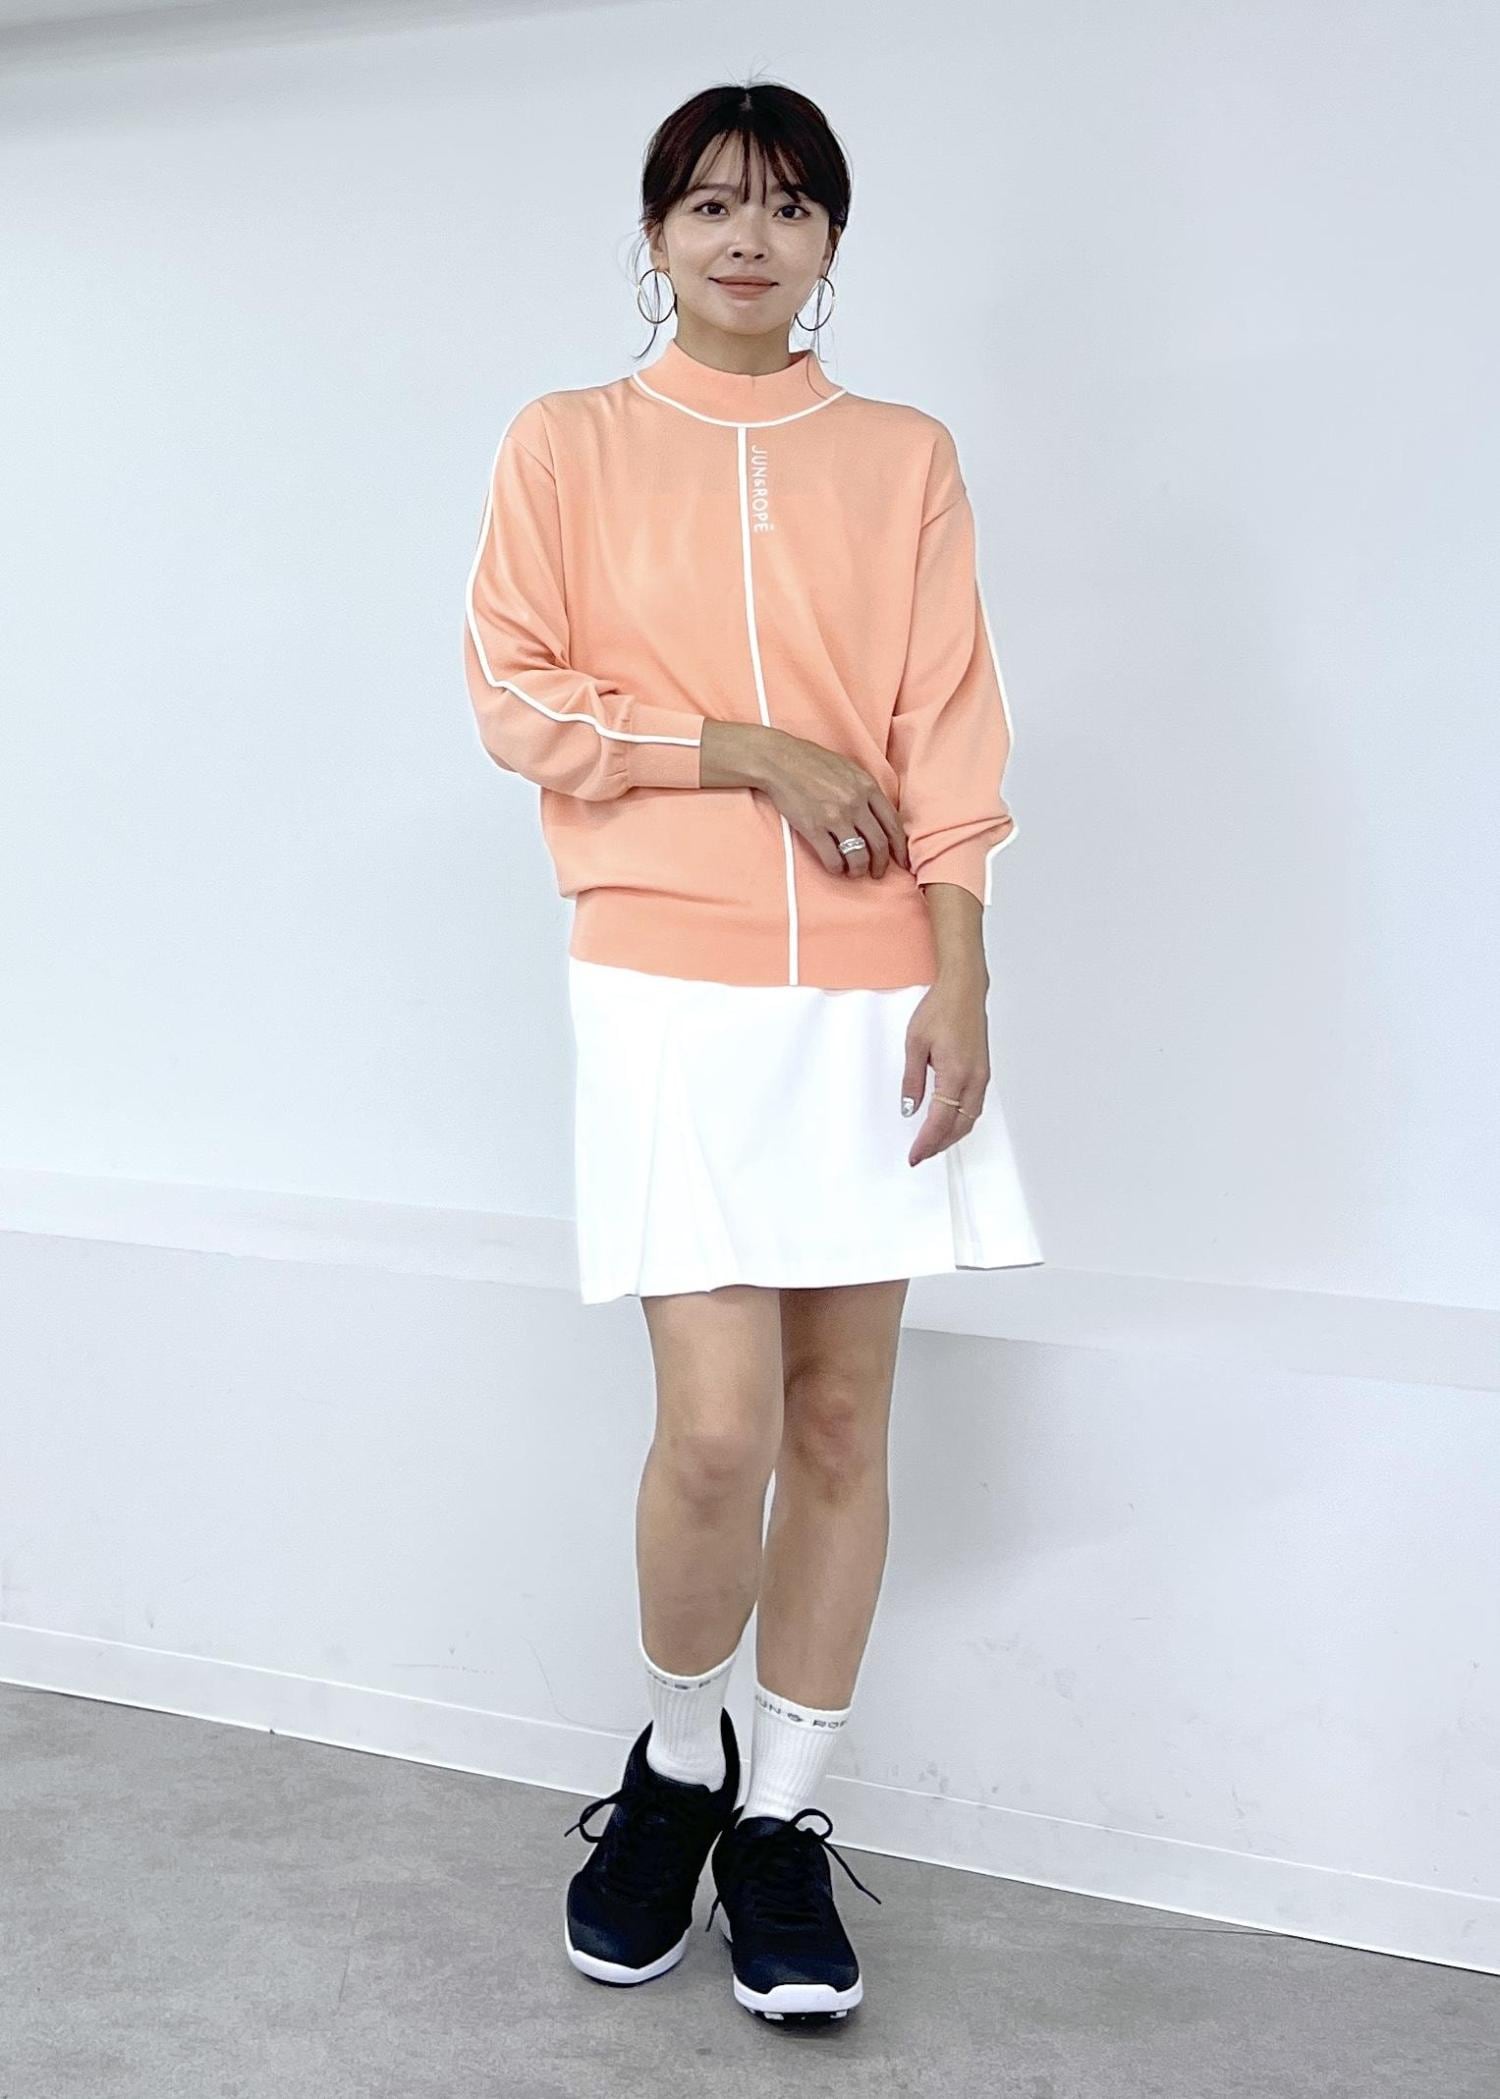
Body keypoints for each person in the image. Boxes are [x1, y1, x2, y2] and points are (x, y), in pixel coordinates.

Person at [461, 79, 1044, 2029]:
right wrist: (746, 750)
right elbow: (516, 695)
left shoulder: (903, 456)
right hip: (666, 979)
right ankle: (678, 1760)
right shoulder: (565, 442)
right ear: (653, 236)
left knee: (841, 1423)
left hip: (877, 989)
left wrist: (961, 977)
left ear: (831, 245)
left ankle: (782, 1819)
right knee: (716, 1431)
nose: (747, 236)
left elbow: (950, 730)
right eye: (710, 203)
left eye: (789, 207)